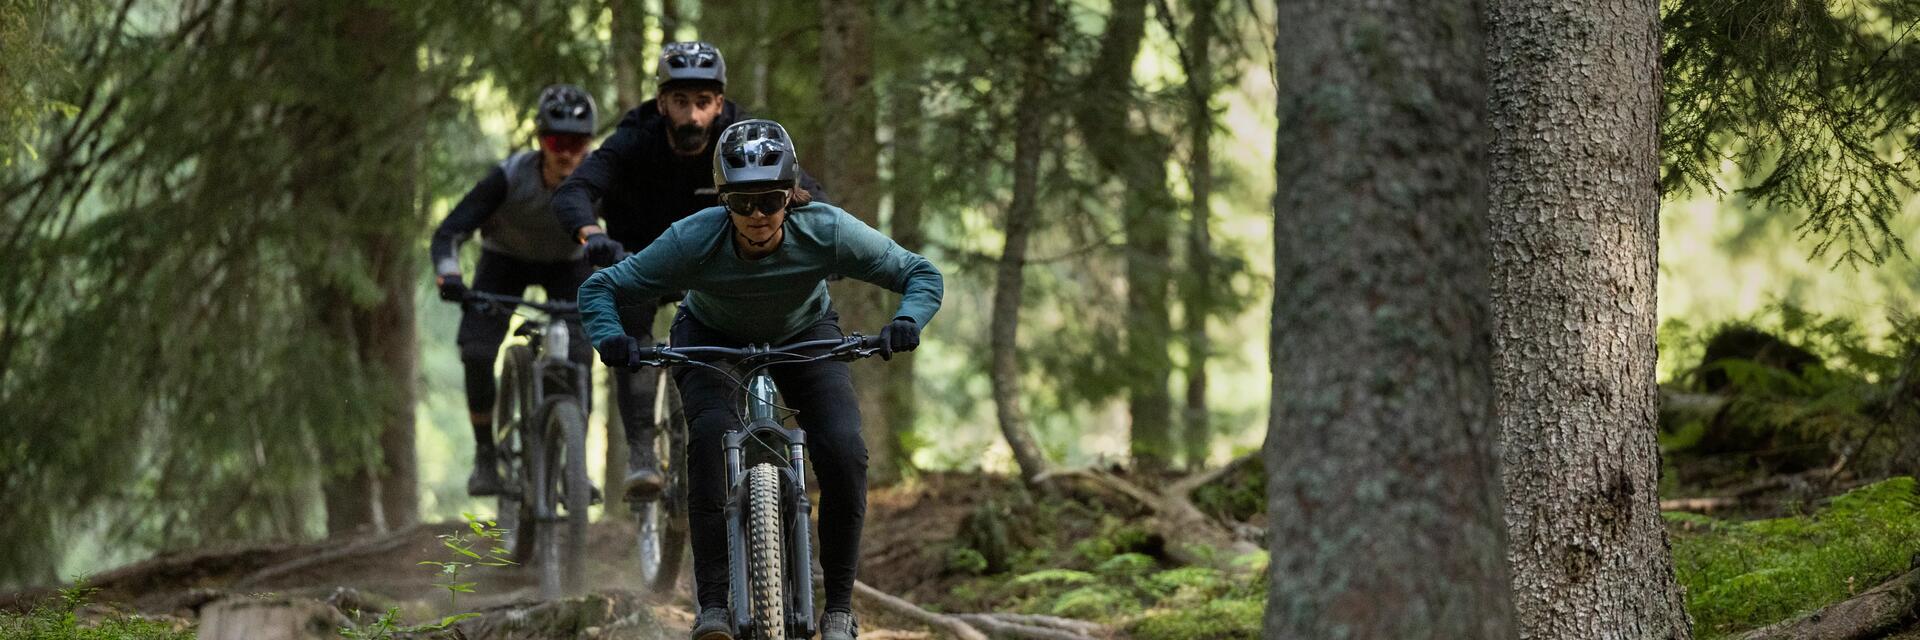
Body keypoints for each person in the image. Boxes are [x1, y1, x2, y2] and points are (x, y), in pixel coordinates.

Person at [578, 120, 939, 640]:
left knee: (843, 450)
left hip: (805, 333)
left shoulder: (826, 229)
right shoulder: (693, 238)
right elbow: (601, 289)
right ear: (724, 200)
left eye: (769, 200)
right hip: (709, 336)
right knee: (707, 441)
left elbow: (919, 272)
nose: (756, 216)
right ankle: (714, 608)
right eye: (742, 202)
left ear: (792, 195)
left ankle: (838, 608)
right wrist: (610, 337)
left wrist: (908, 321)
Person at [552, 41, 827, 500]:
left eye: (703, 103)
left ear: (719, 103)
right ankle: (642, 449)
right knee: (631, 325)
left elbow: (806, 193)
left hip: (718, 262)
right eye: (681, 102)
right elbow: (574, 190)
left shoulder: (745, 137)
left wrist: (818, 245)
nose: (693, 117)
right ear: (662, 103)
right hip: (639, 259)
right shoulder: (634, 138)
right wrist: (590, 233)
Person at [429, 84, 598, 496]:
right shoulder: (508, 178)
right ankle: (486, 455)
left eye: (577, 142)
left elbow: (630, 234)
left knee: (579, 354)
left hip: (568, 265)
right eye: (557, 140)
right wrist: (449, 275)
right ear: (541, 140)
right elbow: (449, 233)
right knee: (478, 351)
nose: (567, 152)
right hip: (504, 261)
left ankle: (571, 468)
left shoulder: (598, 179)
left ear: (589, 144)